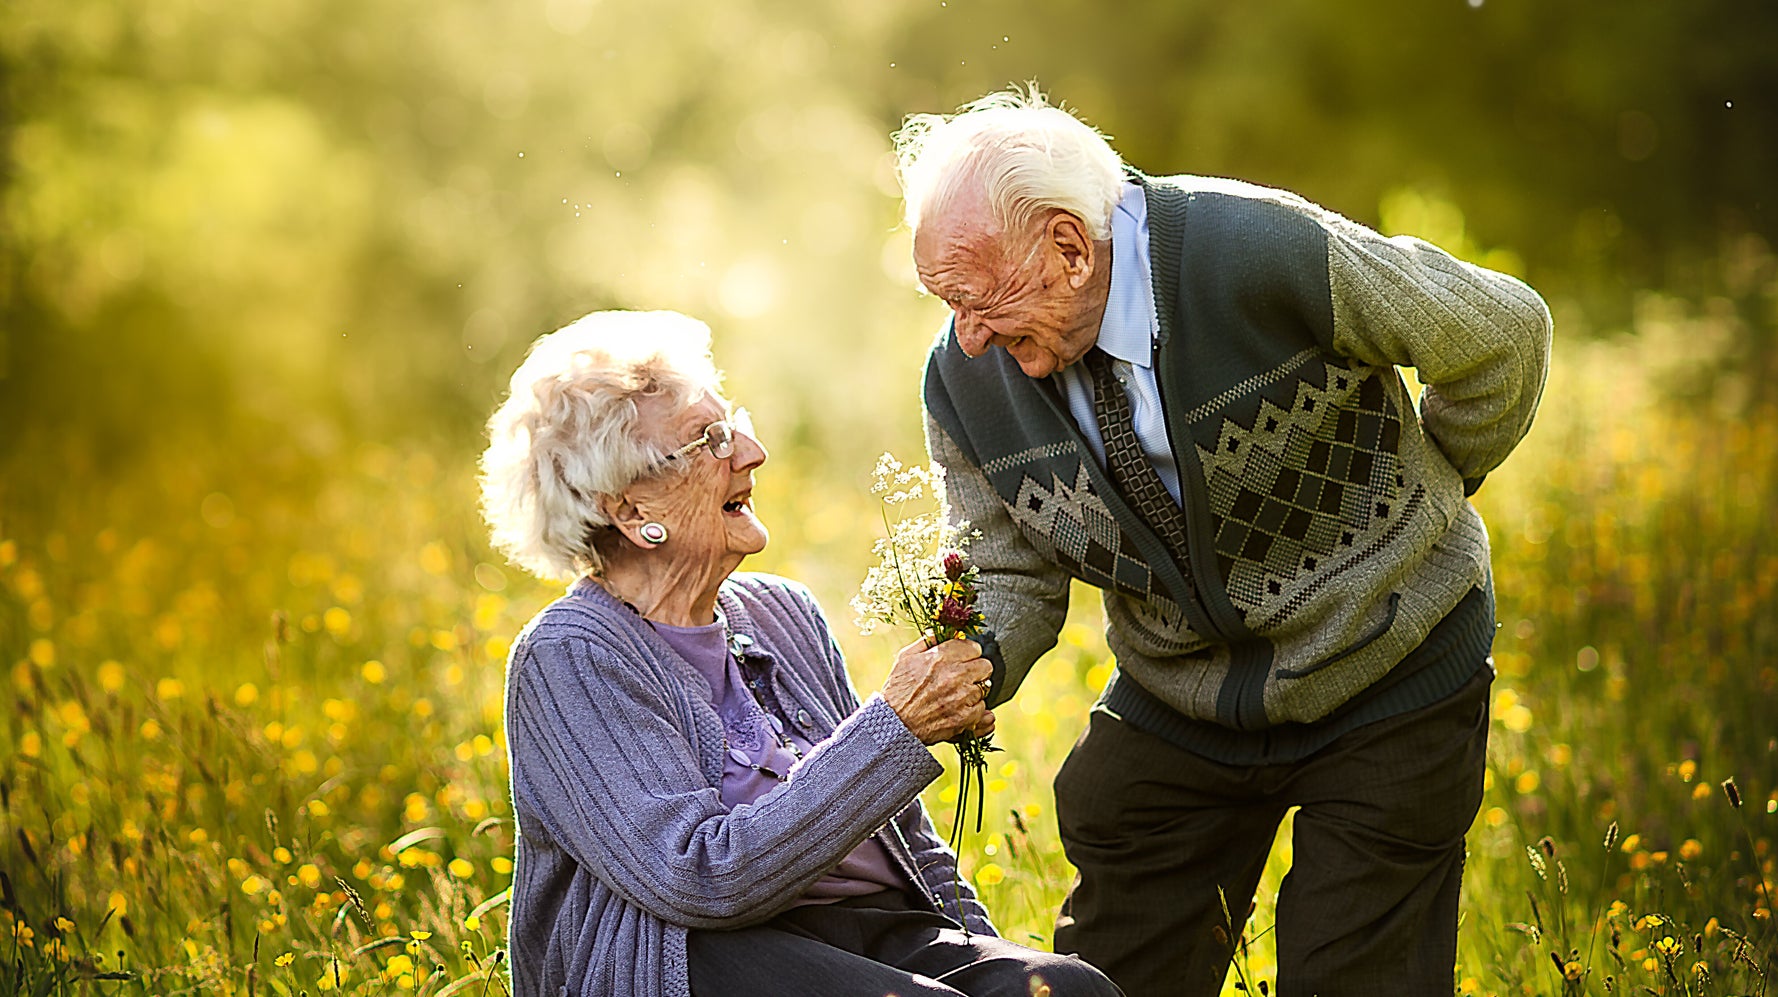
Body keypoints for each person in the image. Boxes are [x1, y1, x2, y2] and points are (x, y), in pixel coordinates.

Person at [896, 86, 1553, 996]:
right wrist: (970, 662)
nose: (965, 338)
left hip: (1388, 667)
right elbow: (1011, 565)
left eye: (975, 297)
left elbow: (1502, 332)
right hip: (1186, 694)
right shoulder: (966, 381)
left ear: (1068, 247)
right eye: (945, 302)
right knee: (1105, 978)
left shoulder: (1253, 248)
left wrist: (1430, 481)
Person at [479, 309, 1124, 997]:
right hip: (701, 959)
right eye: (710, 439)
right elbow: (698, 877)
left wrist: (990, 954)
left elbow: (907, 838)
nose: (751, 450)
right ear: (633, 512)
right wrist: (895, 727)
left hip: (868, 930)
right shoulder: (569, 657)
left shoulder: (781, 611)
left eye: (735, 423)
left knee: (1071, 990)